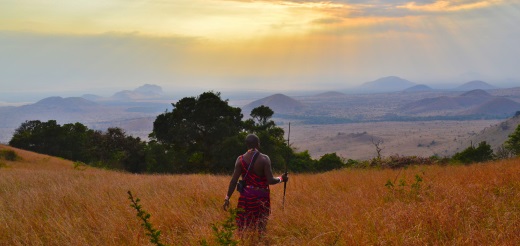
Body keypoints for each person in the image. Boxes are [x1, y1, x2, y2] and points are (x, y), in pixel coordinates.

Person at [223, 134, 288, 233]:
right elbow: (270, 180)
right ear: (258, 144)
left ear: (246, 145)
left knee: (243, 225)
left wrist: (227, 198)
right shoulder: (264, 159)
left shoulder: (240, 160)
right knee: (261, 225)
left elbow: (233, 181)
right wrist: (281, 178)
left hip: (246, 196)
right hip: (262, 197)